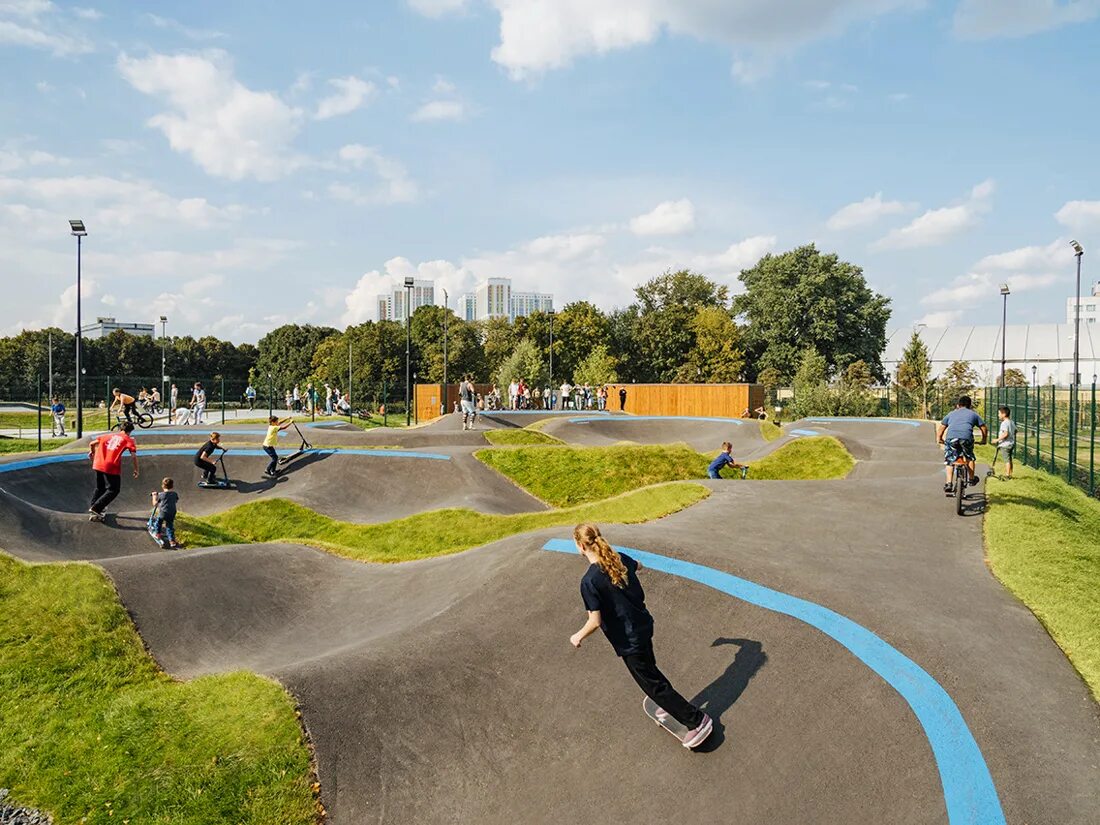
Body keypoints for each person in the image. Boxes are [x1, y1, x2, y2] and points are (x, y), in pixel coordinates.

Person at [569, 523, 712, 748]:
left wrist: (577, 636)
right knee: (652, 670)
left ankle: (696, 721)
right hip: (644, 626)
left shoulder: (589, 582)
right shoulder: (618, 558)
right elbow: (639, 566)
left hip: (629, 642)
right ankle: (668, 704)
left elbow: (594, 621)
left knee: (652, 684)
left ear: (580, 546)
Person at [935, 395, 988, 494]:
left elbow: (942, 427)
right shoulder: (974, 414)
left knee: (950, 459)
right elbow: (984, 428)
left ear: (958, 405)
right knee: (969, 457)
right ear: (970, 405)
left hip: (952, 438)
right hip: (966, 438)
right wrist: (983, 439)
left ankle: (949, 483)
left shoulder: (951, 414)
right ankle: (971, 479)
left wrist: (940, 439)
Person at [88, 422, 139, 521]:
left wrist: (92, 452)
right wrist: (136, 469)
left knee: (100, 488)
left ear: (120, 429)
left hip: (98, 463)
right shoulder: (129, 439)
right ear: (130, 432)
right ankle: (96, 508)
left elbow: (91, 444)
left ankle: (94, 508)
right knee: (114, 489)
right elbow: (133, 456)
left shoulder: (107, 435)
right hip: (111, 465)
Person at [148, 477, 180, 549]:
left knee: (158, 522)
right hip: (172, 512)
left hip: (163, 512)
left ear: (162, 486)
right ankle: (172, 541)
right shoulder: (175, 494)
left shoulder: (161, 495)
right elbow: (176, 500)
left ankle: (158, 534)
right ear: (172, 486)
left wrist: (154, 496)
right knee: (169, 526)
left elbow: (155, 504)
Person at [993, 406, 1016, 479]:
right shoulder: (1011, 422)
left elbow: (1005, 434)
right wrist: (1011, 436)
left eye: (999, 413)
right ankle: (1010, 474)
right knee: (1009, 459)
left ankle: (1007, 475)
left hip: (1005, 444)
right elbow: (1015, 431)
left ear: (1004, 414)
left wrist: (997, 440)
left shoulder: (1004, 423)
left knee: (1007, 460)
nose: (998, 415)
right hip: (1011, 443)